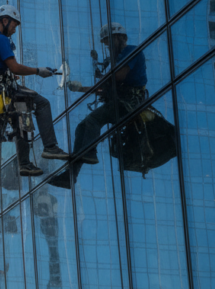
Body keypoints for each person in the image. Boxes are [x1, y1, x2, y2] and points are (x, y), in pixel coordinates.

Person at [0, 5, 68, 184]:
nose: (14, 29)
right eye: (14, 25)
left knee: (21, 119)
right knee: (42, 104)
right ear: (5, 20)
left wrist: (9, 73)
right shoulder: (0, 39)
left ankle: (24, 164)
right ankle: (50, 147)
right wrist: (37, 70)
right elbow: (15, 66)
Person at [51, 23, 146, 188]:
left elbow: (118, 76)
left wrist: (105, 75)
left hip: (129, 103)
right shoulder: (116, 61)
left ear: (120, 38)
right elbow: (105, 87)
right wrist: (80, 88)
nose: (107, 47)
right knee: (82, 127)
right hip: (121, 103)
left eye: (109, 42)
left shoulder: (131, 51)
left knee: (92, 121)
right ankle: (70, 175)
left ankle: (90, 152)